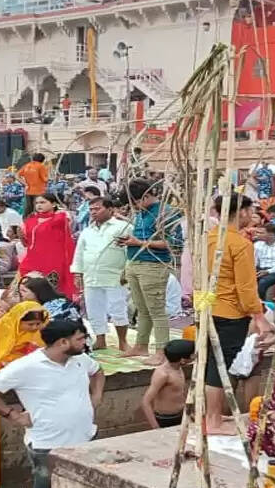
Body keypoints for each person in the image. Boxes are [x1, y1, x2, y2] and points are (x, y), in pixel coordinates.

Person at [0, 319, 102, 488]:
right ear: (62, 343)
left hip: (85, 437)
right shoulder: (26, 366)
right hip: (47, 445)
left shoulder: (81, 359)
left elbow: (98, 371)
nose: (85, 342)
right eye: (80, 338)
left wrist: (96, 395)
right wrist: (13, 415)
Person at [205, 194, 272, 433]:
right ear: (241, 212)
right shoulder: (240, 244)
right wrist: (258, 315)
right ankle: (213, 419)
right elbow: (246, 287)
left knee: (211, 361)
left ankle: (212, 416)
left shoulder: (209, 239)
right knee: (219, 364)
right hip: (231, 312)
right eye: (250, 210)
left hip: (208, 308)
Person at [121, 179, 182, 363]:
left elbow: (173, 245)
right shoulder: (141, 212)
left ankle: (162, 351)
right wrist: (129, 241)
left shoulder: (166, 213)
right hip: (134, 262)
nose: (134, 207)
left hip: (153, 265)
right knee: (142, 308)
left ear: (146, 196)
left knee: (157, 310)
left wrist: (139, 243)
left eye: (136, 202)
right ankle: (141, 345)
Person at [71, 197, 131, 351]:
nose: (93, 212)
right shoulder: (87, 231)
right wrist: (78, 273)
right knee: (94, 309)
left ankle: (123, 341)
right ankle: (100, 339)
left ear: (110, 209)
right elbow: (79, 253)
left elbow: (130, 252)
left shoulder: (122, 227)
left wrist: (127, 271)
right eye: (91, 209)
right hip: (91, 276)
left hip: (115, 275)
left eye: (97, 209)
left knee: (118, 308)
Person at [19, 193, 77, 300]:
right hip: (33, 260)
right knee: (29, 289)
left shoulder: (60, 218)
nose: (39, 205)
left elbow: (68, 219)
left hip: (53, 261)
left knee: (52, 290)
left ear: (53, 204)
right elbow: (27, 243)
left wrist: (61, 210)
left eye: (43, 202)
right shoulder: (31, 221)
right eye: (36, 203)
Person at [140, 339, 194, 429]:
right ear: (182, 360)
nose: (194, 357)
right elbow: (146, 402)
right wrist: (156, 427)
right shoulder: (163, 374)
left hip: (181, 414)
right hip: (165, 419)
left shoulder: (178, 368)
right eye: (192, 355)